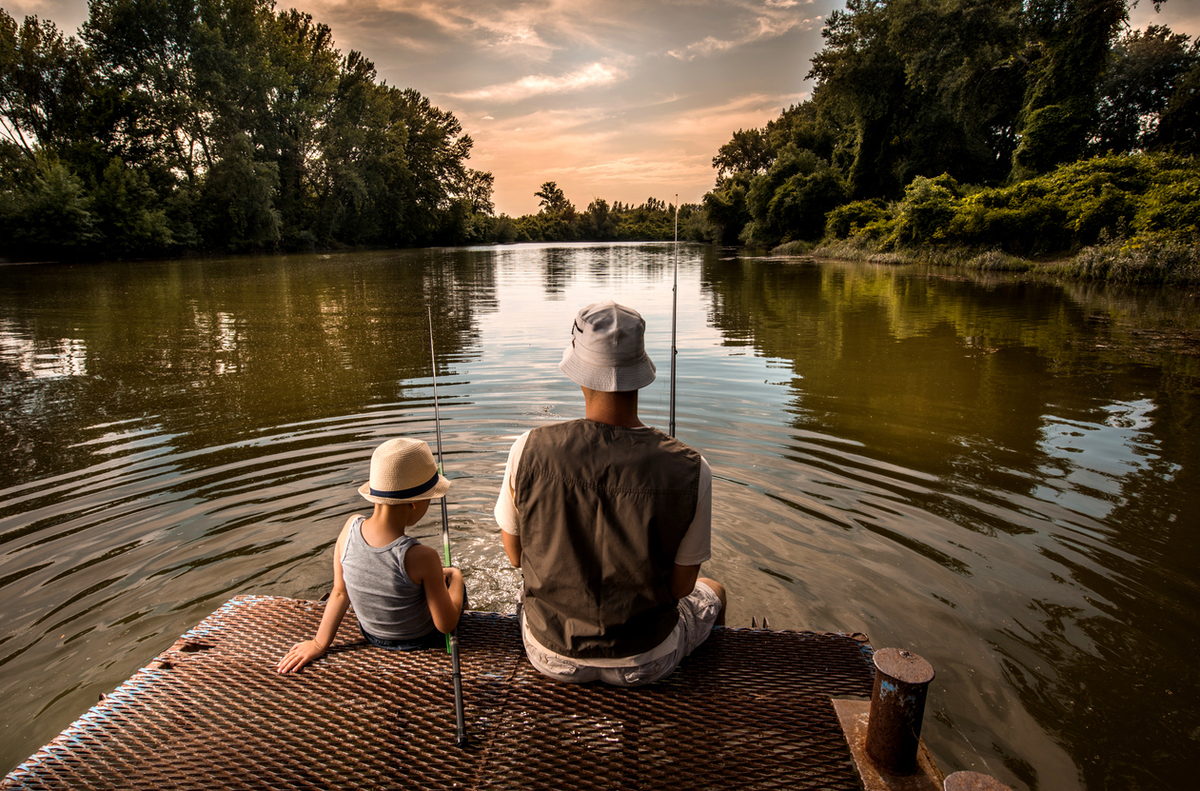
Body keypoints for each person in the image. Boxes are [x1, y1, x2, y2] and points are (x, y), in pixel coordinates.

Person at [494, 300, 726, 686]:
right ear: (640, 372)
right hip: (648, 660)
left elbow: (516, 556)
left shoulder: (526, 449)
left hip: (549, 652)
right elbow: (682, 588)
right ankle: (704, 704)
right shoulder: (692, 467)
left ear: (579, 372)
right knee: (713, 591)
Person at [277, 437, 466, 672]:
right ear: (415, 504)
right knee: (456, 588)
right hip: (419, 640)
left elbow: (339, 592)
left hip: (371, 635)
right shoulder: (422, 556)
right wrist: (455, 576)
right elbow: (445, 625)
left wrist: (318, 643)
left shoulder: (349, 528)